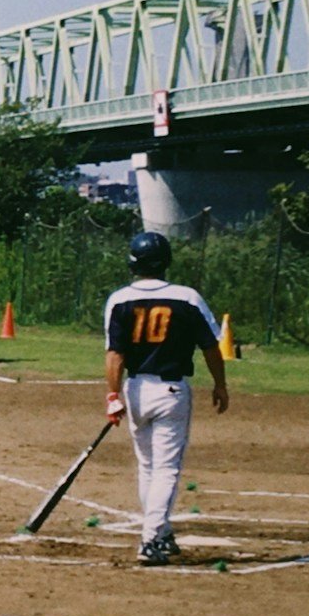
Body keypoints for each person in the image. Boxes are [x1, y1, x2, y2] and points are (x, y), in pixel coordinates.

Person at [102, 231, 229, 566]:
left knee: (148, 466)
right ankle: (149, 539)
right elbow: (211, 346)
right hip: (171, 392)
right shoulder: (186, 297)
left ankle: (161, 530)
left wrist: (113, 395)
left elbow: (115, 354)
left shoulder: (119, 300)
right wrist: (220, 384)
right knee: (167, 469)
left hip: (135, 389)